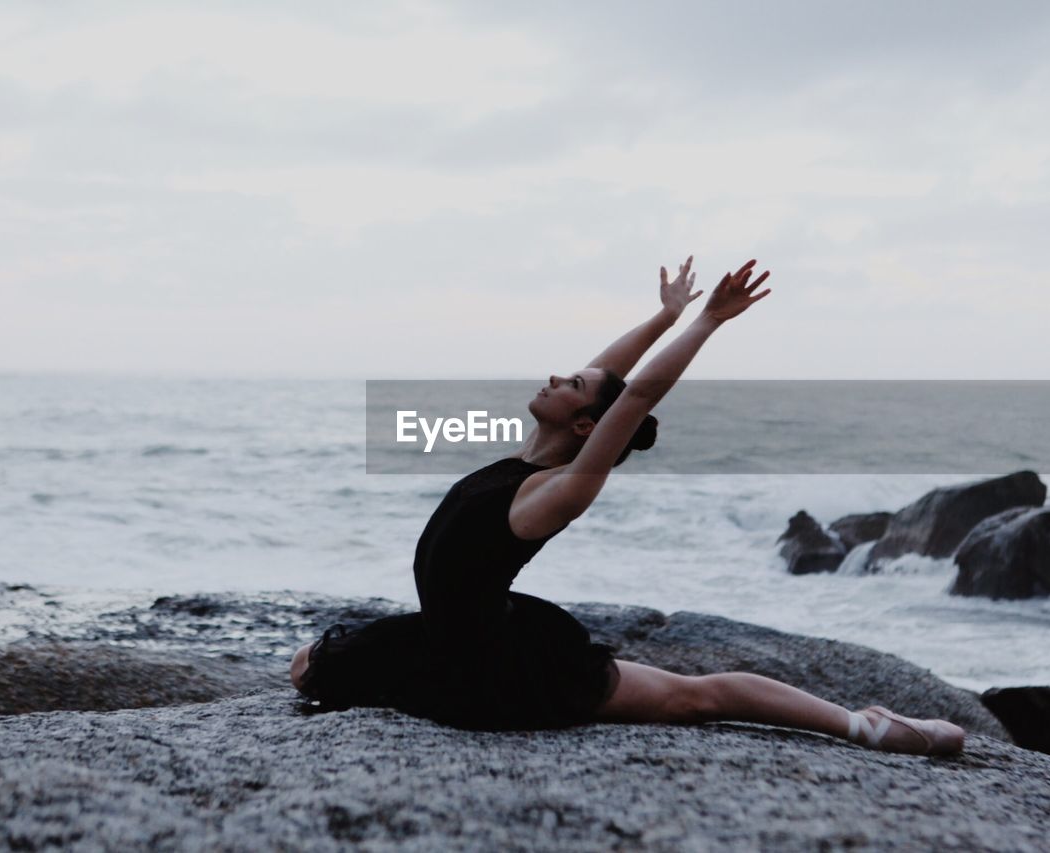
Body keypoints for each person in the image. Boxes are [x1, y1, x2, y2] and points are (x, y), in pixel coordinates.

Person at [291, 257, 965, 756]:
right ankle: (865, 722)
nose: (557, 375)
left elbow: (633, 396)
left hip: (500, 666)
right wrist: (664, 314)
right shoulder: (532, 454)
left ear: (586, 427)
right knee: (306, 665)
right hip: (444, 637)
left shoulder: (559, 488)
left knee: (699, 696)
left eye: (572, 384)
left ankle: (866, 725)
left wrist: (706, 321)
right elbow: (609, 380)